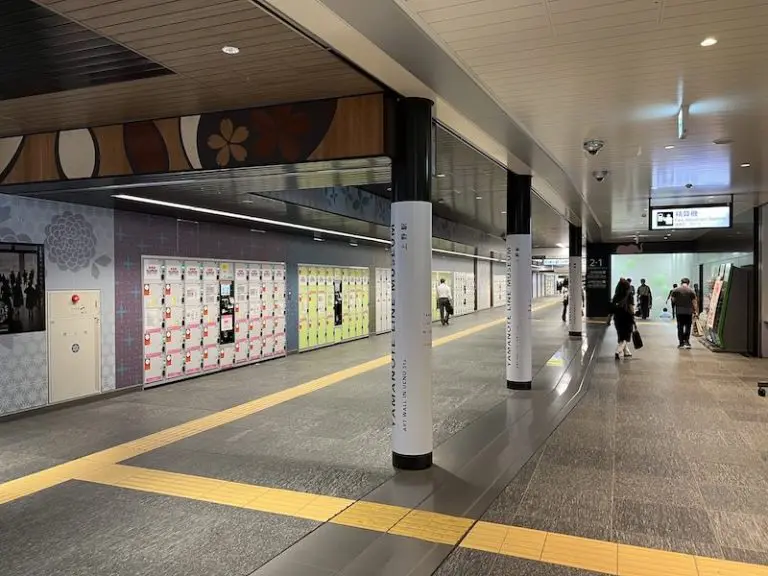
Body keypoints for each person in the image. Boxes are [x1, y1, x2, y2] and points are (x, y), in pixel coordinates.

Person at [671, 278, 698, 349]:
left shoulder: (676, 290)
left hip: (679, 311)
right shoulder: (691, 291)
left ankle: (681, 343)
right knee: (688, 326)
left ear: (681, 282)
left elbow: (673, 299)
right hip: (688, 311)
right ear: (688, 283)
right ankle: (687, 341)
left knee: (680, 326)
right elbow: (694, 302)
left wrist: (678, 302)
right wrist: (695, 311)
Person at [611, 278, 635, 359]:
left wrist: (608, 319)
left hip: (617, 317)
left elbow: (612, 308)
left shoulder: (616, 296)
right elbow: (631, 307)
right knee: (626, 336)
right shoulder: (629, 295)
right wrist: (633, 316)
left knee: (621, 335)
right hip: (627, 316)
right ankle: (618, 350)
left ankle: (626, 352)